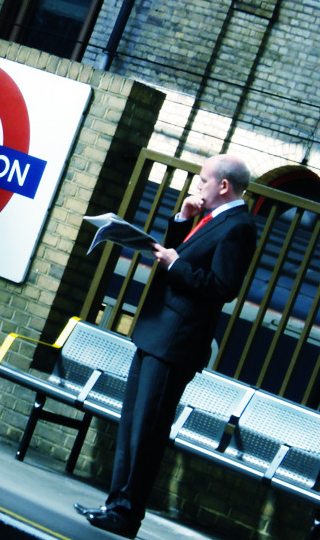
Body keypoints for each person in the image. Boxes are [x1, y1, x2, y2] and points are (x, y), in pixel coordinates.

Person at [74, 154, 258, 538]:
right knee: (132, 426)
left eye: (203, 180)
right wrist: (181, 223)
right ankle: (115, 505)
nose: (198, 186)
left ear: (224, 186)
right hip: (157, 333)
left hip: (176, 342)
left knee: (147, 430)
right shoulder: (211, 219)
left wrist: (175, 264)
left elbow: (222, 287)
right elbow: (179, 258)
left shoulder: (238, 227)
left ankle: (126, 515)